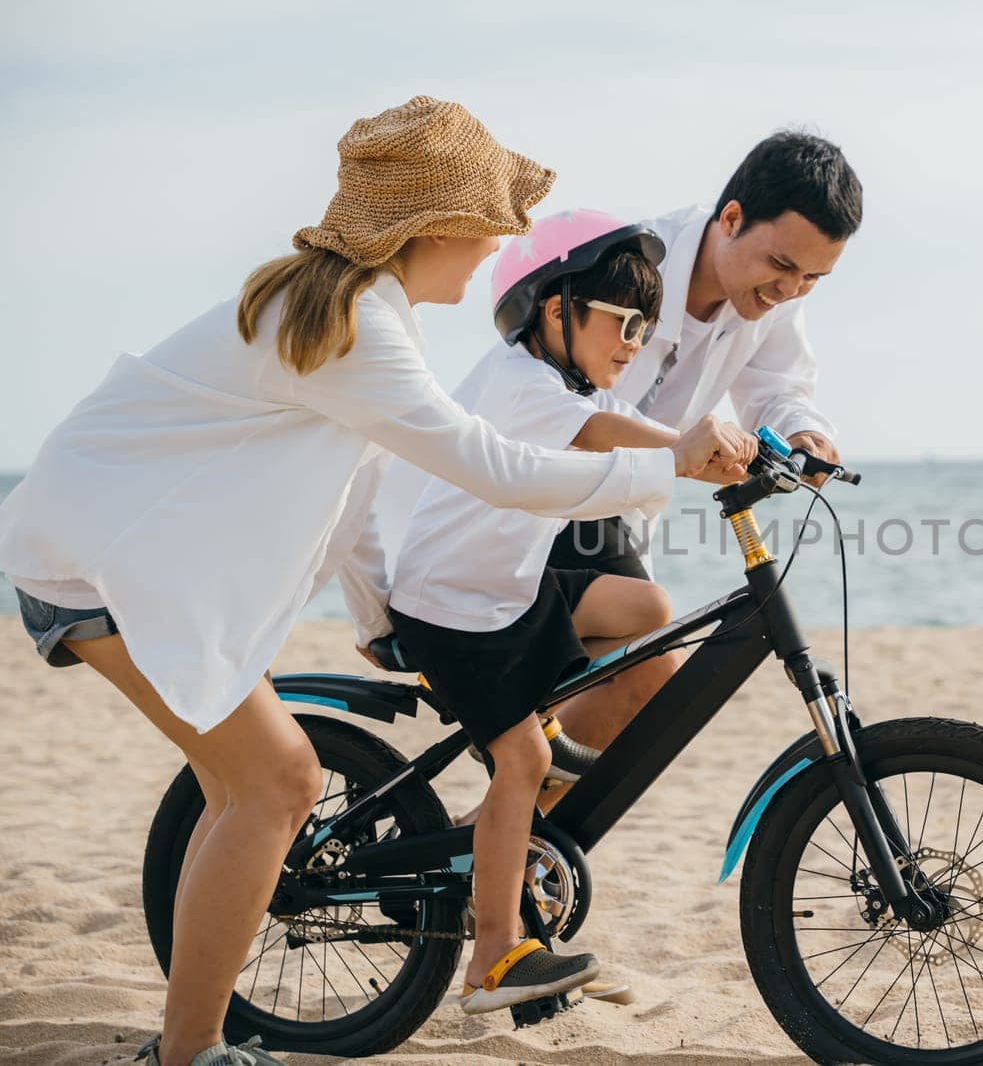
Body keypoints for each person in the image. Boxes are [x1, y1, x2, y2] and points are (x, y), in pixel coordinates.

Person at [0, 97, 727, 1066]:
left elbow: (354, 486)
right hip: (94, 566)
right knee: (278, 782)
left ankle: (186, 1047)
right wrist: (667, 465)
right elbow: (493, 467)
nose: (497, 248)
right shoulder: (353, 327)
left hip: (95, 550)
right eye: (489, 224)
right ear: (438, 227)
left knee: (251, 791)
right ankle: (189, 1052)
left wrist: (372, 608)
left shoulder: (349, 314)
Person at [380, 210, 756, 1013]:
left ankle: (543, 752)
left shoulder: (549, 379)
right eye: (623, 321)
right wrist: (684, 446)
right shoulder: (523, 387)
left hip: (506, 595)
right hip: (452, 608)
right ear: (557, 310)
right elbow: (603, 434)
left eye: (646, 326)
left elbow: (612, 429)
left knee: (638, 618)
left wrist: (717, 448)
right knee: (522, 760)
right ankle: (491, 958)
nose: (634, 341)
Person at [547, 130, 863, 578]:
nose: (791, 290)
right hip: (535, 500)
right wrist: (683, 451)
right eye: (781, 265)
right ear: (732, 219)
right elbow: (550, 404)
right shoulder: (626, 264)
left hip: (621, 517)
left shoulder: (776, 298)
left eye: (813, 277)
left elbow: (779, 390)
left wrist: (804, 433)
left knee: (650, 639)